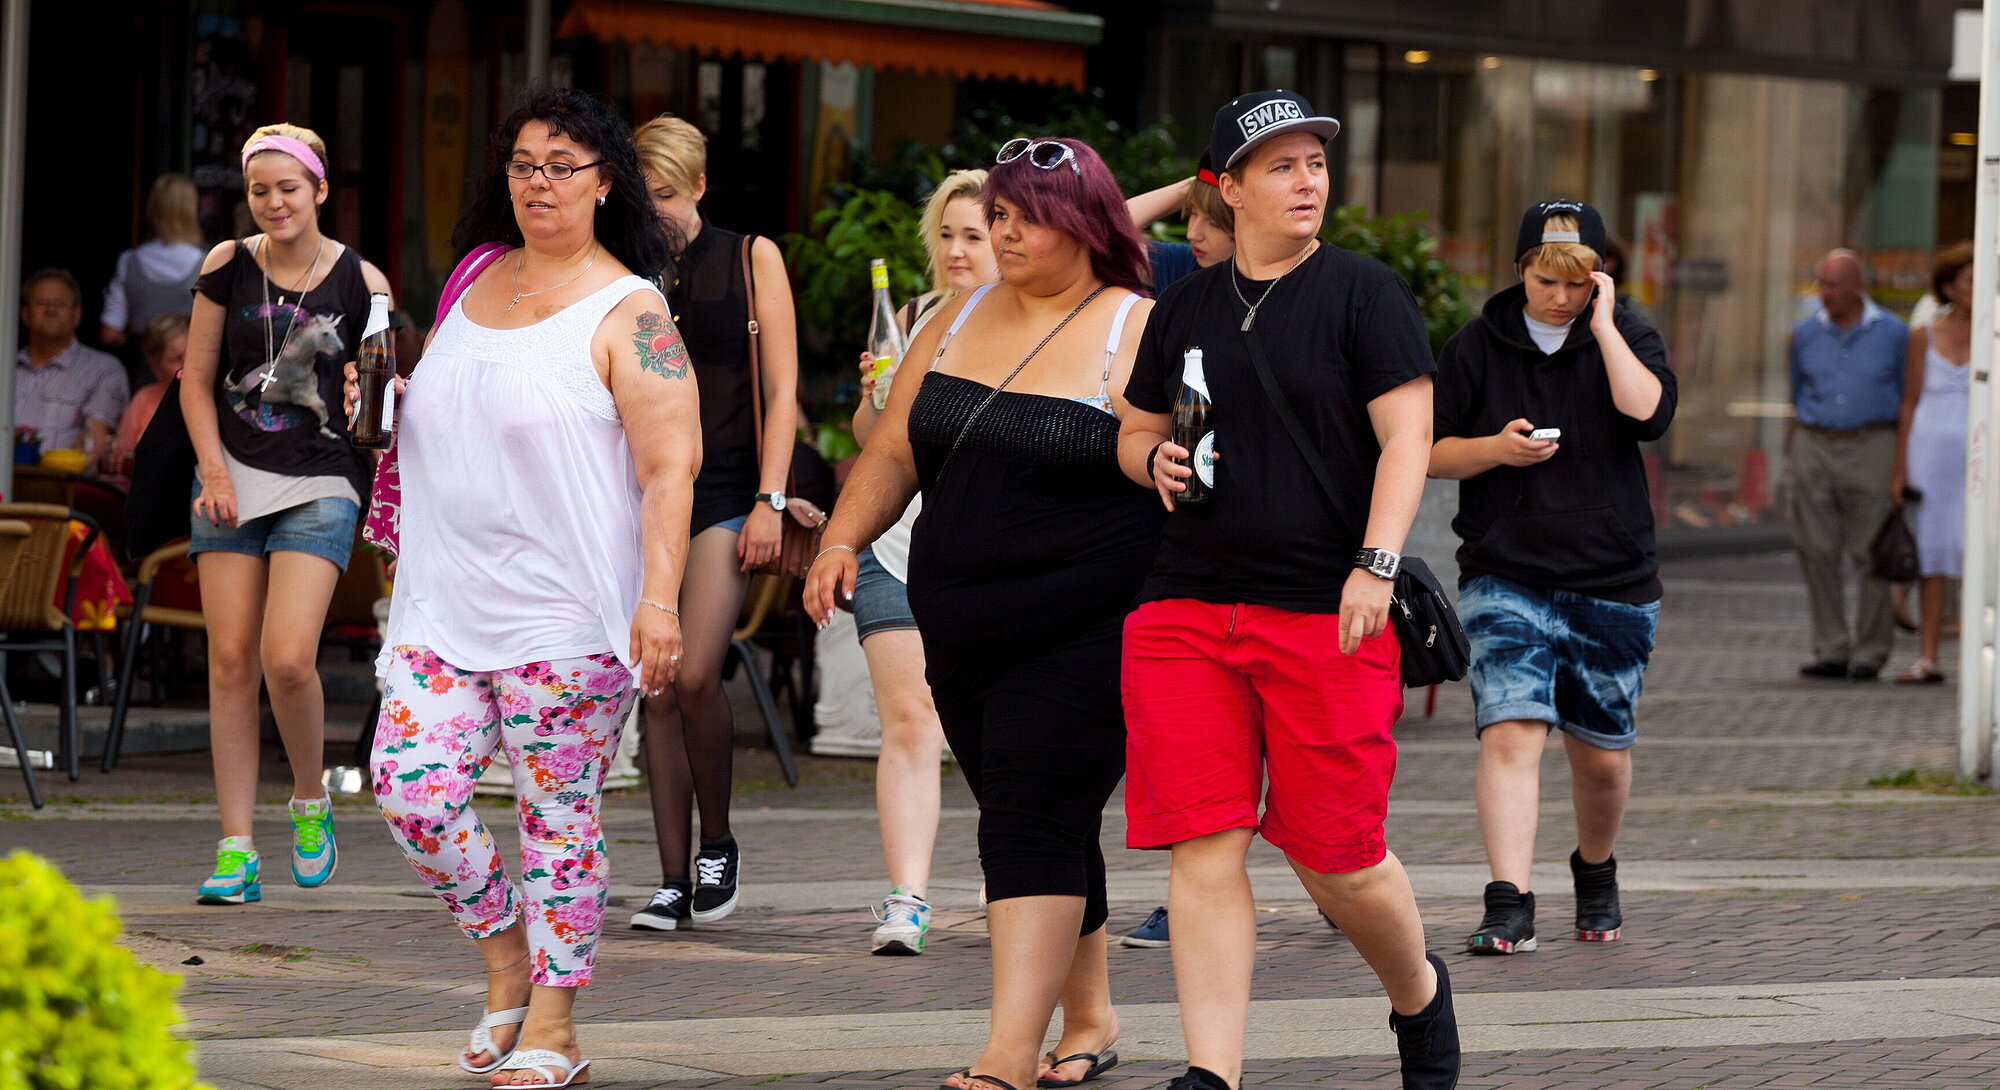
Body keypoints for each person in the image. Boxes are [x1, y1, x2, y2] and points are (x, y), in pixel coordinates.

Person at [1115, 90, 1457, 1090]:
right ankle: (1209, 1071)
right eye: (1280, 165)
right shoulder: (1181, 304)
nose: (1305, 180)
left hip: (1323, 608)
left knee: (1337, 857)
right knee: (1202, 845)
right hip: (1183, 606)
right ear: (1225, 188)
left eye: (1313, 162)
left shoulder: (1363, 293)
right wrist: (1151, 467)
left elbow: (1408, 439)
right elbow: (1137, 429)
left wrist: (1376, 561)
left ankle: (1416, 992)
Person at [806, 135, 1160, 1090]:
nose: (1001, 232)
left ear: (1083, 223)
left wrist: (1156, 464)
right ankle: (1090, 1016)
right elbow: (890, 453)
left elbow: (1154, 450)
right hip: (959, 623)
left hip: (1087, 622)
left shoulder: (1135, 325)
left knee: (1030, 815)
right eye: (995, 215)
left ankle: (1006, 1054)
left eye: (1023, 215)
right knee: (1033, 810)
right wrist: (840, 542)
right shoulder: (953, 319)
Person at [365, 88, 696, 1087]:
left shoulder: (630, 307)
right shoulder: (471, 275)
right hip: (442, 600)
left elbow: (669, 465)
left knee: (559, 820)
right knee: (410, 788)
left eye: (562, 164)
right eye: (522, 163)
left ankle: (553, 1023)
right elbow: (444, 403)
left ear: (607, 184)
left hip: (565, 614)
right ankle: (505, 960)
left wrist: (660, 600)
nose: (538, 181)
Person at [1430, 200, 1675, 957]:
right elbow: (1430, 450)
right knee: (1510, 730)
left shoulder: (1624, 333)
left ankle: (1594, 867)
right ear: (1519, 272)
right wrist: (1493, 451)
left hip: (1611, 575)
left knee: (1600, 757)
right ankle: (1510, 900)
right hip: (1507, 571)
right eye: (1545, 280)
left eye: (1577, 284)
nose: (1559, 297)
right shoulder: (1476, 346)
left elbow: (1650, 415)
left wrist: (1603, 329)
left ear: (1600, 279)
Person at [180, 123, 389, 910]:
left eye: (288, 188)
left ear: (320, 191)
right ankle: (236, 848)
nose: (273, 203)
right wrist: (210, 472)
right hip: (228, 475)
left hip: (320, 477)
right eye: (260, 190)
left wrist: (368, 400)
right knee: (231, 661)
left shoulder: (362, 281)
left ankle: (310, 800)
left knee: (288, 658)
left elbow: (378, 407)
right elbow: (195, 380)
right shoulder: (226, 266)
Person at [626, 113, 808, 933]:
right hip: (642, 490)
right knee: (655, 685)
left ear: (699, 186)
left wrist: (773, 497)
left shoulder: (749, 255)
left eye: (665, 194)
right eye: (641, 195)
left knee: (696, 671)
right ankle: (670, 876)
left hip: (730, 485)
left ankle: (718, 840)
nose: (654, 211)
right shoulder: (622, 264)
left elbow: (781, 390)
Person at [849, 167, 996, 956]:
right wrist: (877, 393)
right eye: (946, 234)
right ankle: (906, 899)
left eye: (973, 234)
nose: (957, 250)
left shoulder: (1035, 325)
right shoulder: (906, 319)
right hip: (897, 546)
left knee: (992, 722)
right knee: (911, 722)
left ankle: (1009, 871)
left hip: (991, 556)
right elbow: (869, 440)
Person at [1120, 157, 1237, 950]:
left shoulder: (1326, 292)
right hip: (1180, 537)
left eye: (1208, 222)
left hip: (1282, 561)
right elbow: (1103, 223)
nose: (1191, 234)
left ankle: (1335, 876)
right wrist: (1201, 181)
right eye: (1189, 218)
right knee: (1195, 744)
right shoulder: (1175, 275)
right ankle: (1186, 896)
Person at [1787, 250, 1908, 682]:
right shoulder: (1804, 335)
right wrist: (1793, 456)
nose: (1826, 293)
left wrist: (1900, 465)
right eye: (1821, 283)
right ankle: (1832, 648)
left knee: (1871, 551)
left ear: (1858, 285)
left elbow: (1908, 397)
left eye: (1834, 285)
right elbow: (1796, 392)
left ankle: (1871, 652)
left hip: (1872, 442)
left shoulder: (1894, 334)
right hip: (1815, 443)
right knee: (1816, 550)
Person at [1891, 242, 1973, 684]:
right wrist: (1900, 468)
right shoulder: (1924, 335)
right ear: (1948, 286)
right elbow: (1908, 402)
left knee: (1980, 549)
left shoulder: (1994, 333)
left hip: (1978, 459)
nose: (1978, 289)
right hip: (1930, 455)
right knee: (1934, 555)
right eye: (1969, 280)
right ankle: (1928, 657)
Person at [17, 267, 129, 470]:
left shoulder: (104, 369)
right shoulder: (6, 367)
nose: (51, 310)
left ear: (77, 315)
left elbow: (95, 439)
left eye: (59, 304)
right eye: (42, 303)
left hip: (61, 488)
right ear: (25, 314)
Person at [101, 172, 205, 349]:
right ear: (191, 210)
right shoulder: (206, 263)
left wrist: (144, 347)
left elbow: (109, 333)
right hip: (189, 367)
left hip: (141, 369)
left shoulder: (128, 261)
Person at [1126, 153, 1235, 296]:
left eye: (1213, 223)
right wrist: (1196, 186)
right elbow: (1104, 234)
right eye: (1193, 213)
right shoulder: (1184, 265)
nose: (1192, 234)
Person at [115, 311, 189, 470]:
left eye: (193, 356)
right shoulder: (144, 399)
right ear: (155, 365)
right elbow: (122, 458)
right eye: (176, 359)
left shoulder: (215, 399)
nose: (187, 366)